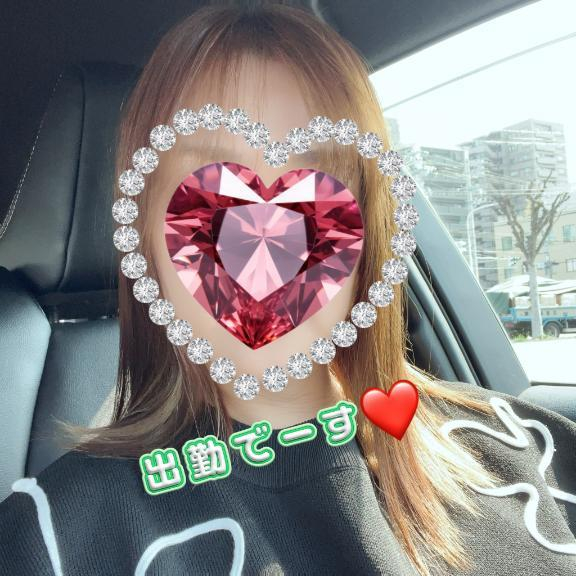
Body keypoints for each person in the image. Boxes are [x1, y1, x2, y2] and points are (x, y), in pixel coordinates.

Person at [0, 3, 575, 575]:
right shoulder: (54, 537)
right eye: (210, 177)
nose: (267, 230)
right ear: (145, 237)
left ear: (369, 231)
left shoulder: (533, 448)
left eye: (318, 174)